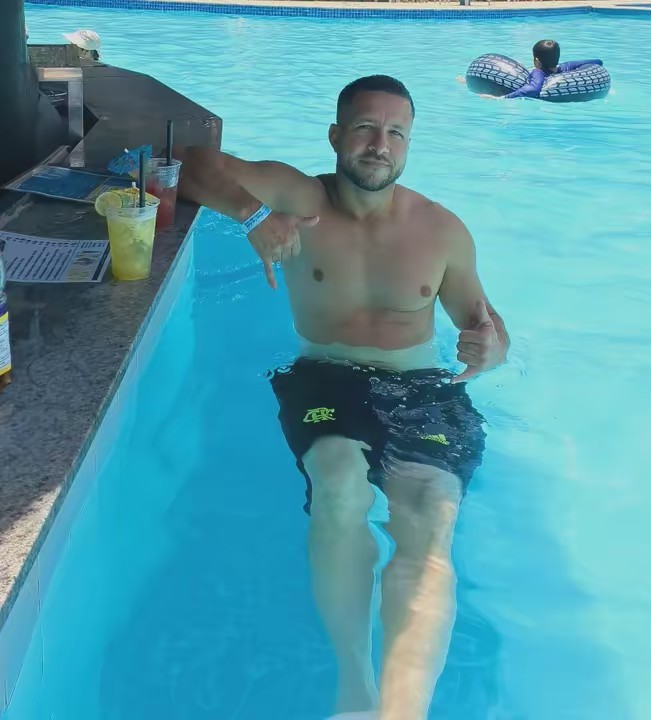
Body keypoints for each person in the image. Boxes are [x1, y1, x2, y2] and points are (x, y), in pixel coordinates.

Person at [176, 75, 509, 720]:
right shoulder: (297, 196)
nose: (380, 144)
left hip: (422, 387)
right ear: (335, 135)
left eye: (396, 133)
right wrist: (254, 216)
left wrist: (490, 347)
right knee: (338, 485)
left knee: (430, 519)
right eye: (365, 128)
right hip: (324, 376)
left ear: (409, 144)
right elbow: (189, 163)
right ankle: (354, 685)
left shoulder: (441, 230)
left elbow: (489, 328)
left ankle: (402, 711)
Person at [501, 39, 603, 99]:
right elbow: (598, 62)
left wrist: (504, 97)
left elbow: (533, 89)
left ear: (537, 61)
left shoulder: (538, 73)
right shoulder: (565, 67)